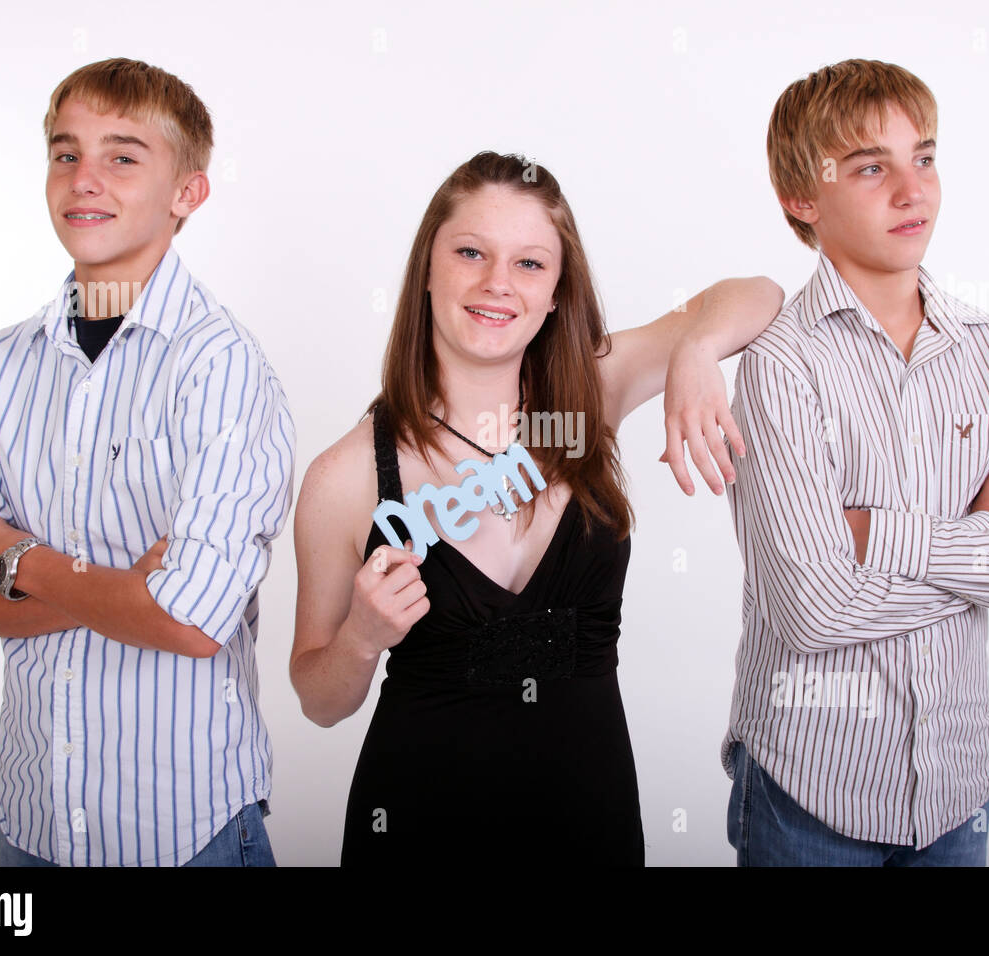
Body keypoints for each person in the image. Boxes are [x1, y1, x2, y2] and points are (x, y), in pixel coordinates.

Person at [289, 150, 782, 865]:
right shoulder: (348, 477)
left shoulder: (592, 395)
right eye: (470, 252)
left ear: (556, 292)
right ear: (427, 268)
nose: (497, 283)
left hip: (590, 823)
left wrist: (697, 350)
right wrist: (361, 639)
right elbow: (319, 700)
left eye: (529, 264)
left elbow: (762, 293)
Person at [722, 59, 989, 866]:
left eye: (924, 158)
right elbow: (812, 611)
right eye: (873, 167)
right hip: (808, 793)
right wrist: (988, 543)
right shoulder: (780, 361)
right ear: (803, 198)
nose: (914, 190)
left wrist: (888, 536)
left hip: (956, 790)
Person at [0, 58, 295, 866]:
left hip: (188, 836)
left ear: (187, 193)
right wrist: (129, 593)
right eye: (66, 153)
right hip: (30, 831)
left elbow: (191, 625)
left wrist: (15, 559)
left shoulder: (222, 369)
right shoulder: (2, 365)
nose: (84, 179)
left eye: (123, 156)